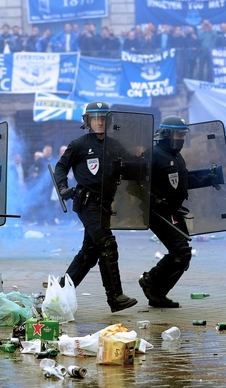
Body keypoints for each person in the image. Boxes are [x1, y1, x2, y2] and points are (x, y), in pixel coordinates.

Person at [53, 102, 138, 313]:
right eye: (95, 118)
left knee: (89, 254)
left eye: (103, 118)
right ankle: (115, 297)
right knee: (107, 245)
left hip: (105, 205)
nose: (99, 122)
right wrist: (63, 187)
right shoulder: (79, 144)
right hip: (87, 203)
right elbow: (61, 167)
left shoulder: (115, 145)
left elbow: (131, 168)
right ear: (88, 121)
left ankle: (59, 295)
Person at [138, 116, 194, 309]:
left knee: (183, 255)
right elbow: (134, 184)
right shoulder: (152, 154)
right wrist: (153, 199)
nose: (182, 138)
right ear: (167, 134)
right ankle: (150, 281)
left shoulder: (177, 156)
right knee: (181, 251)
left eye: (183, 134)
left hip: (174, 211)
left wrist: (208, 179)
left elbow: (179, 183)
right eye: (178, 134)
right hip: (157, 213)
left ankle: (158, 294)